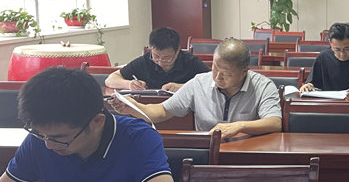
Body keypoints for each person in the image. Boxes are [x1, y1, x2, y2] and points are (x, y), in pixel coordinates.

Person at [0, 67, 175, 182]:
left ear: (97, 122)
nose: (48, 145)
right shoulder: (40, 140)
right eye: (41, 134)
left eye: (60, 138)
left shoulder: (137, 137)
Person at [113, 38, 281, 140]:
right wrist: (133, 107)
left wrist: (240, 126)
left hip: (246, 152)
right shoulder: (199, 82)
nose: (217, 77)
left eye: (226, 73)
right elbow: (162, 111)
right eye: (215, 68)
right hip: (207, 152)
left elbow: (274, 122)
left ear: (244, 71)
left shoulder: (263, 85)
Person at [105, 27, 209, 92]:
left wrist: (183, 87)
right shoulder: (145, 61)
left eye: (166, 58)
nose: (160, 62)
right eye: (156, 56)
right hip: (149, 109)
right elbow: (110, 80)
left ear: (178, 50)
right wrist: (129, 84)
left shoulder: (190, 62)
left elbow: (211, 83)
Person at [299, 22, 349, 96]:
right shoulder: (323, 57)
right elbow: (312, 83)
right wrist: (307, 86)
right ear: (330, 43)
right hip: (329, 104)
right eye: (337, 50)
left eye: (347, 49)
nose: (342, 54)